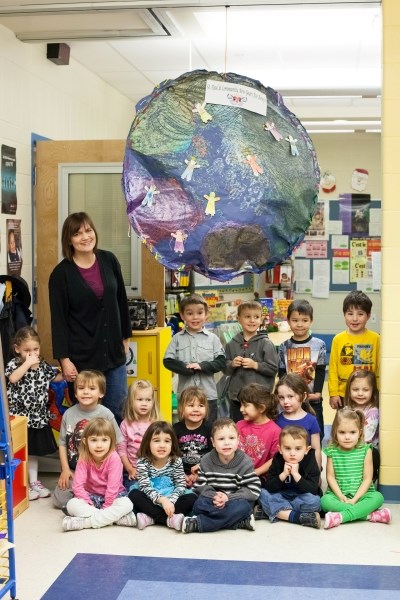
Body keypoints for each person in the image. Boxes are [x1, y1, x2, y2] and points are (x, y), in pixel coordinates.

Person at [48, 212, 132, 423]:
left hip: (113, 354)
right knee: (86, 419)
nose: (85, 237)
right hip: (81, 358)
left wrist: (125, 338)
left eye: (88, 230)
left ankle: (112, 457)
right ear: (69, 240)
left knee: (116, 413)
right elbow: (58, 321)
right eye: (77, 234)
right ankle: (84, 457)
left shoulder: (109, 260)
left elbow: (121, 301)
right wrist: (64, 360)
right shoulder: (61, 275)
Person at [5, 326, 63, 501]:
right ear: (17, 349)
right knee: (20, 453)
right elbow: (13, 378)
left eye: (35, 349)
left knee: (33, 453)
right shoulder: (14, 364)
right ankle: (21, 484)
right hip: (20, 418)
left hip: (38, 418)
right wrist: (27, 363)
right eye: (27, 350)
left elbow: (55, 378)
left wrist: (66, 373)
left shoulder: (43, 365)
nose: (32, 354)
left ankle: (34, 482)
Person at [53, 370, 123, 510]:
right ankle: (87, 499)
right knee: (59, 500)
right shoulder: (68, 414)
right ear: (75, 393)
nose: (85, 392)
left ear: (101, 393)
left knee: (118, 497)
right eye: (81, 388)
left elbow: (118, 442)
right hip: (76, 471)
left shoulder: (106, 414)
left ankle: (92, 499)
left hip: (101, 473)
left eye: (91, 389)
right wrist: (65, 470)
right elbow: (62, 444)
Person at [182, 418, 261, 533]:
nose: (227, 442)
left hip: (235, 501)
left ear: (238, 440)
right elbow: (200, 486)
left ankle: (199, 524)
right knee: (198, 505)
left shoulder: (245, 461)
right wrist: (215, 496)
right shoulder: (206, 460)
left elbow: (253, 490)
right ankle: (238, 522)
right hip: (213, 501)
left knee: (244, 507)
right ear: (213, 442)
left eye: (231, 438)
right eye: (221, 439)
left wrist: (228, 498)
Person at [321, 408, 390, 529]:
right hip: (338, 495)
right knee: (324, 501)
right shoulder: (331, 450)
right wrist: (340, 496)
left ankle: (340, 517)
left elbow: (367, 479)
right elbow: (330, 477)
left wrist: (355, 499)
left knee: (378, 497)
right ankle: (369, 515)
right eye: (342, 432)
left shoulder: (366, 450)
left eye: (352, 432)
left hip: (362, 495)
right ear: (335, 432)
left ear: (360, 432)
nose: (347, 437)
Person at [62, 418, 135, 531]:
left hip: (114, 497)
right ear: (86, 441)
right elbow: (78, 486)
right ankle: (113, 519)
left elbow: (113, 488)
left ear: (111, 441)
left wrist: (107, 506)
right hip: (90, 497)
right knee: (71, 505)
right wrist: (90, 504)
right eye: (94, 440)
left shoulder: (114, 458)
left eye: (104, 440)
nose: (99, 445)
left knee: (127, 503)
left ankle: (86, 522)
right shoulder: (84, 457)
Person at [163, 294, 226, 424]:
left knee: (210, 430)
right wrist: (185, 368)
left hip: (208, 396)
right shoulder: (177, 338)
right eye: (190, 313)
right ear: (182, 315)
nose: (195, 317)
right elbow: (167, 360)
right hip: (185, 397)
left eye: (200, 312)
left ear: (206, 314)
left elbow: (221, 362)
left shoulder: (213, 339)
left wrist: (202, 366)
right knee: (186, 430)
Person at [128, 421, 196, 530]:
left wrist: (170, 502)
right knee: (134, 495)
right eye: (156, 441)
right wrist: (162, 500)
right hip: (151, 497)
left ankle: (151, 518)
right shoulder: (142, 462)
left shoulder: (176, 461)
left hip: (171, 496)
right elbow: (145, 487)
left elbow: (180, 485)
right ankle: (167, 519)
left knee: (192, 498)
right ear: (148, 443)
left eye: (167, 441)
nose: (162, 445)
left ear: (172, 444)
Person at [278, 299, 326, 439]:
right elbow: (282, 373)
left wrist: (317, 392)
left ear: (311, 321)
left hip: (312, 399)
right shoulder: (284, 346)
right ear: (288, 321)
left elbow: (321, 370)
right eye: (295, 320)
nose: (299, 324)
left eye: (304, 320)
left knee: (316, 434)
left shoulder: (319, 344)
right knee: (291, 434)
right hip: (291, 401)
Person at [257, 426, 321, 528]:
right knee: (261, 493)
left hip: (300, 498)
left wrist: (296, 475)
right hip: (280, 495)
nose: (292, 453)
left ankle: (271, 512)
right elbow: (269, 487)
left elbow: (312, 490)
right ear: (280, 449)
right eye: (287, 448)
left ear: (306, 450)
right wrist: (283, 475)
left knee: (315, 501)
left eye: (298, 449)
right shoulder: (278, 459)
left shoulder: (310, 461)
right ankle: (297, 517)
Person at [224, 300, 278, 422]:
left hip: (259, 399)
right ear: (239, 319)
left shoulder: (266, 343)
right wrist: (232, 364)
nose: (252, 320)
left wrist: (255, 365)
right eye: (247, 317)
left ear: (261, 319)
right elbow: (225, 368)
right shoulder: (231, 344)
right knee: (239, 428)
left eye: (256, 317)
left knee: (260, 428)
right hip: (237, 398)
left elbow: (273, 369)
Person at [328, 291, 380, 409]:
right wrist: (333, 393)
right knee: (345, 425)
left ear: (368, 315)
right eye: (350, 314)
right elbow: (333, 369)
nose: (355, 319)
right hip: (343, 394)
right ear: (344, 315)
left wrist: (379, 392)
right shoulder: (338, 339)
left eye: (360, 314)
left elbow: (379, 368)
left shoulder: (376, 338)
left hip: (369, 394)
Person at [119, 379, 160, 492]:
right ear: (131, 401)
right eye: (139, 399)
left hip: (155, 472)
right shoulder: (125, 425)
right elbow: (122, 451)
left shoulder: (156, 423)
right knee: (133, 491)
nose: (144, 403)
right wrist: (130, 469)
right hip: (133, 471)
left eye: (148, 400)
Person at [236, 383, 281, 483]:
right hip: (236, 474)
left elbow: (275, 459)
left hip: (259, 478)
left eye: (245, 405)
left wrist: (255, 472)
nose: (241, 409)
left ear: (261, 408)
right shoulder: (239, 425)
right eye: (241, 405)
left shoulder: (275, 431)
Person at [275, 373, 321, 468]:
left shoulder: (311, 420)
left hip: (306, 471)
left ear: (303, 396)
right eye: (281, 397)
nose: (285, 401)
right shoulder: (277, 420)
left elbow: (316, 449)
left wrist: (317, 473)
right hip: (282, 470)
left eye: (290, 396)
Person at [344, 370, 380, 481]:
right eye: (355, 389)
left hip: (365, 450)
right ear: (349, 391)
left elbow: (366, 438)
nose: (360, 393)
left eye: (365, 390)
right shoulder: (346, 409)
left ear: (372, 391)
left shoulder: (373, 412)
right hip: (349, 445)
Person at [173, 386, 212, 488]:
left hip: (204, 472)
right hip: (180, 473)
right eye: (191, 405)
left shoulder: (210, 428)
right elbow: (172, 455)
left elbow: (214, 454)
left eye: (201, 406)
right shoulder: (175, 429)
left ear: (206, 408)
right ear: (181, 408)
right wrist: (181, 475)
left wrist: (201, 470)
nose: (196, 409)